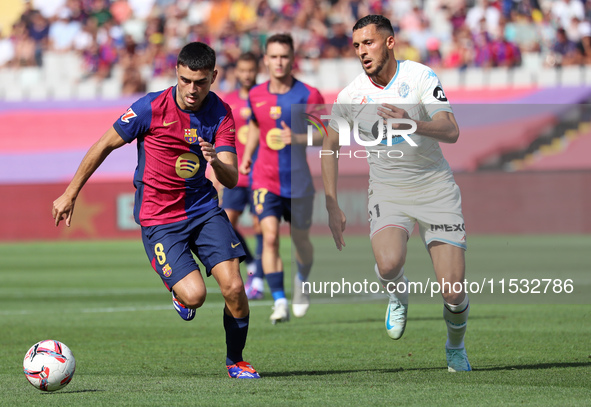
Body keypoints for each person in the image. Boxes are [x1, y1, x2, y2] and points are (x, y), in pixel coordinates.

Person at [52, 42, 260, 379]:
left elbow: (232, 177)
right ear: (176, 72)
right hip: (160, 219)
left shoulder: (221, 114)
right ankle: (180, 292)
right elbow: (104, 144)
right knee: (195, 297)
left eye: (202, 82)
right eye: (186, 80)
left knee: (235, 288)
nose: (193, 90)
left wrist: (214, 161)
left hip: (204, 210)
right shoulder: (150, 107)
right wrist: (70, 192)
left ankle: (235, 360)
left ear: (214, 77)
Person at [322, 15, 471, 372]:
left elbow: (451, 131)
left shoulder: (420, 77)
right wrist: (331, 203)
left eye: (368, 43)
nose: (361, 52)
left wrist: (413, 122)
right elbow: (330, 146)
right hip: (387, 189)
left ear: (390, 42)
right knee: (388, 264)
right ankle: (397, 291)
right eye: (357, 46)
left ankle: (455, 347)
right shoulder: (351, 95)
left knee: (452, 292)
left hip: (435, 186)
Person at [240, 33, 325, 324]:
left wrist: (297, 136)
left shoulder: (308, 94)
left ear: (292, 59)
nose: (279, 62)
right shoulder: (256, 95)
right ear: (266, 59)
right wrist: (248, 154)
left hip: (299, 182)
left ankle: (302, 282)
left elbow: (324, 134)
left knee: (301, 241)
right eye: (274, 56)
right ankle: (279, 301)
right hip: (264, 179)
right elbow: (254, 125)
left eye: (284, 56)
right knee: (271, 236)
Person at [219, 52, 265, 300]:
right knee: (227, 222)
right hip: (235, 174)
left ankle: (257, 280)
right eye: (243, 70)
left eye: (251, 70)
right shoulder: (229, 100)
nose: (247, 75)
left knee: (261, 226)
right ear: (236, 71)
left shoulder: (265, 97)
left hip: (261, 173)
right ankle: (251, 266)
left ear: (257, 70)